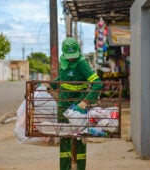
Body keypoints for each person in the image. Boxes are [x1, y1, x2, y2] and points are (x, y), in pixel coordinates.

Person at [51, 37, 103, 170]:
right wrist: (48, 85)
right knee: (64, 140)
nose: (71, 59)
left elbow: (97, 84)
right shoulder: (62, 61)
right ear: (63, 53)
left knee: (79, 140)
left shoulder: (81, 63)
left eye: (73, 56)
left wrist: (85, 101)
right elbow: (62, 78)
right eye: (69, 56)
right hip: (63, 106)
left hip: (78, 109)